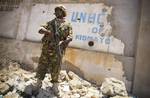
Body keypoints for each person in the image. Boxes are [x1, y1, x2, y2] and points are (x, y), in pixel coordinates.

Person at [33, 5, 73, 97]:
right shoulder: (50, 23)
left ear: (63, 12)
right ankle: (38, 83)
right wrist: (47, 32)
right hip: (46, 49)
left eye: (58, 11)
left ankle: (55, 86)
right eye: (56, 11)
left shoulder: (68, 25)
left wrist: (64, 41)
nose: (57, 13)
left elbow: (70, 37)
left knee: (56, 68)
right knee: (42, 66)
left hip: (58, 51)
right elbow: (40, 30)